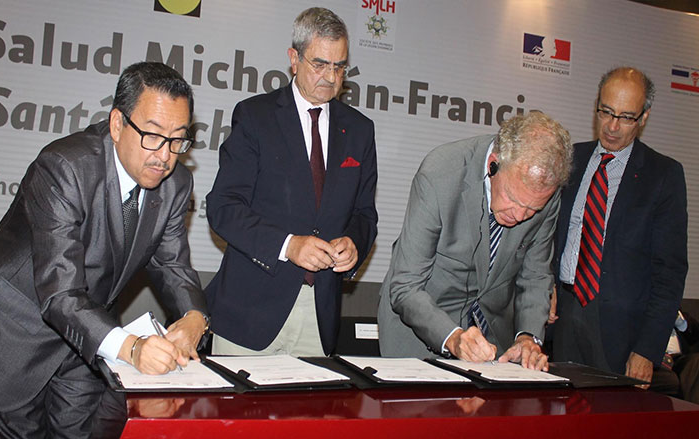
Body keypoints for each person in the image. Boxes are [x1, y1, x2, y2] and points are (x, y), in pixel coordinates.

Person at [0, 62, 209, 439]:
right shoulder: (64, 167)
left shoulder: (176, 185)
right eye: (153, 135)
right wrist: (133, 349)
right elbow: (60, 292)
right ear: (118, 124)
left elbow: (172, 263)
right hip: (18, 328)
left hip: (90, 335)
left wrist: (194, 317)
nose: (164, 156)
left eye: (178, 140)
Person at [204, 7, 378, 356]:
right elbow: (223, 207)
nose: (330, 77)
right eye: (320, 64)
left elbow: (364, 214)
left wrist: (354, 244)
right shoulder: (255, 116)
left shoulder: (360, 130)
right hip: (248, 314)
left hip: (320, 316)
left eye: (339, 67)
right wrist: (288, 246)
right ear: (294, 59)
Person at [378, 112, 573, 370]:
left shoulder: (545, 193)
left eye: (532, 209)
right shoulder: (440, 173)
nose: (519, 216)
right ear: (493, 165)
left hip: (495, 343)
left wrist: (528, 337)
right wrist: (453, 338)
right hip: (421, 335)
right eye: (513, 199)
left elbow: (535, 275)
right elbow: (405, 285)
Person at [552, 67, 688, 387]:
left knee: (611, 415)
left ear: (643, 117)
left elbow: (669, 272)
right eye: (606, 112)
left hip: (622, 332)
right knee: (559, 410)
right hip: (563, 316)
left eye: (626, 117)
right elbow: (547, 236)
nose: (612, 126)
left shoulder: (663, 175)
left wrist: (647, 349)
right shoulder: (570, 159)